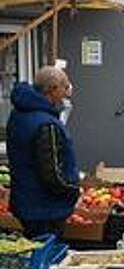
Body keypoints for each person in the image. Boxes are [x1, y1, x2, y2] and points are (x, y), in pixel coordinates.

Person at [7, 66, 79, 237]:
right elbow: (51, 172)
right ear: (52, 90)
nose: (67, 91)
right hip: (46, 208)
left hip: (26, 201)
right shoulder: (45, 124)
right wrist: (72, 190)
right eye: (65, 86)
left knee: (35, 248)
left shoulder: (19, 114)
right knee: (48, 254)